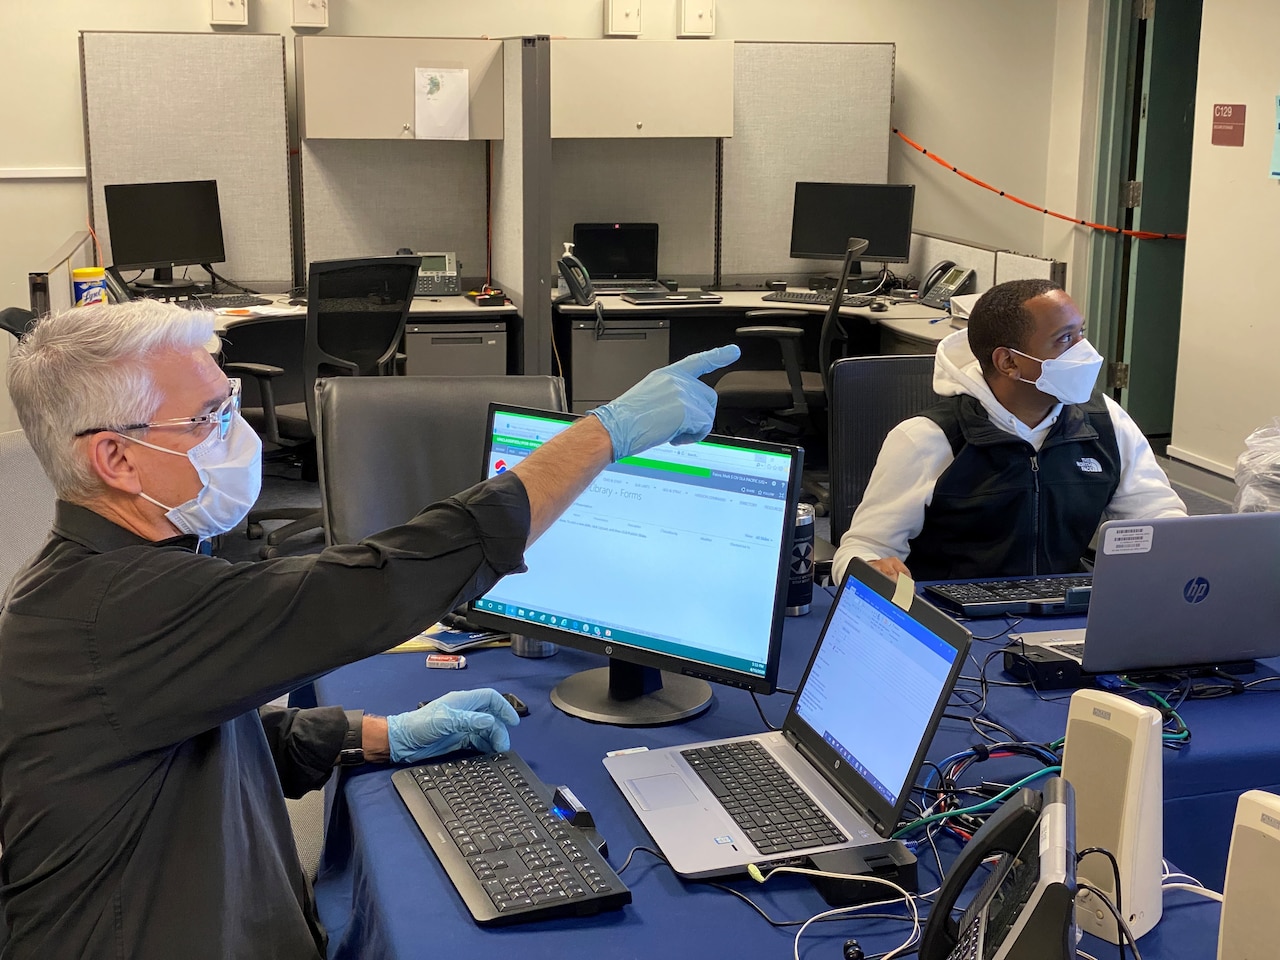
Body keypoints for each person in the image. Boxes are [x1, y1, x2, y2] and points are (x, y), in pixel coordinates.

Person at [0, 298, 740, 960]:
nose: (240, 432)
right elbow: (380, 583)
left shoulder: (109, 582)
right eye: (209, 419)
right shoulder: (116, 614)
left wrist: (380, 735)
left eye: (230, 405)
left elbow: (210, 745)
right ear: (116, 457)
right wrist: (602, 436)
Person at [832, 279, 1185, 584]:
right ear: (1009, 362)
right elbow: (862, 549)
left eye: (1082, 333)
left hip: (1063, 612)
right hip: (958, 623)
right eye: (1065, 339)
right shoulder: (928, 439)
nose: (1086, 352)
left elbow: (1160, 520)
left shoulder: (1105, 421)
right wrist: (872, 569)